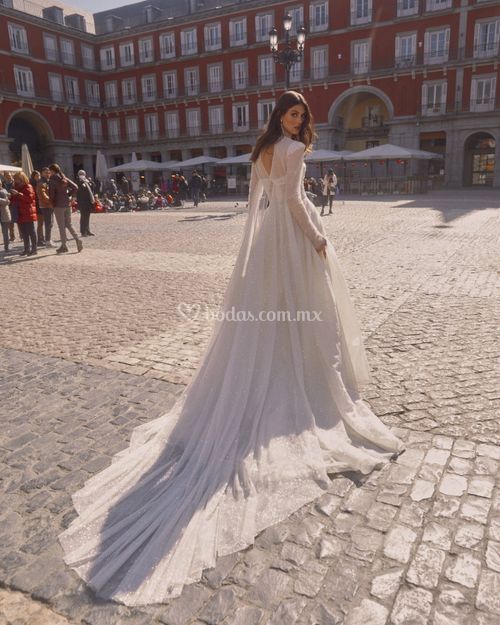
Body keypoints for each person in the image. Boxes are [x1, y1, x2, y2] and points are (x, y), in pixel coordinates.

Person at [59, 90, 404, 607]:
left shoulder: (263, 148)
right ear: (280, 117)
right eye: (294, 113)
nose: (299, 120)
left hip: (267, 240)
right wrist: (317, 239)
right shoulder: (290, 150)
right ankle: (300, 380)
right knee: (303, 312)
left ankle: (282, 366)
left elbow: (259, 205)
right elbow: (292, 200)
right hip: (288, 236)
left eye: (302, 115)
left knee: (264, 318)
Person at [48, 164, 82, 254]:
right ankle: (77, 239)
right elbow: (75, 187)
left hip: (58, 205)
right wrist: (69, 195)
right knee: (69, 224)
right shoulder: (64, 178)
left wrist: (50, 203)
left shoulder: (52, 180)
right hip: (67, 204)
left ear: (52, 171)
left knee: (61, 226)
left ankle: (64, 245)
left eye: (49, 171)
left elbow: (51, 194)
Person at [11, 172, 37, 256]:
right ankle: (26, 249)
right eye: (14, 179)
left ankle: (34, 249)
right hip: (19, 213)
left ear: (21, 178)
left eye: (16, 179)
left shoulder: (28, 187)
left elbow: (29, 199)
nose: (15, 180)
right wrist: (11, 196)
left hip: (27, 212)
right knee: (24, 233)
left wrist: (18, 194)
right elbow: (14, 200)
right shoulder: (16, 187)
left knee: (31, 232)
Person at [36, 167, 55, 247]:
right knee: (48, 223)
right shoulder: (41, 183)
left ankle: (48, 239)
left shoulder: (47, 181)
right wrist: (51, 202)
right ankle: (48, 241)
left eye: (49, 173)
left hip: (48, 205)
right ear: (42, 173)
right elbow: (42, 195)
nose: (48, 174)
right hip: (46, 205)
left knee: (50, 223)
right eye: (46, 173)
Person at [76, 170, 95, 237]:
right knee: (83, 217)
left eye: (83, 174)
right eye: (81, 174)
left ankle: (88, 230)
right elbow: (79, 190)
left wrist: (89, 182)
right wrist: (82, 182)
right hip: (82, 202)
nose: (82, 175)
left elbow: (93, 187)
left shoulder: (87, 181)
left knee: (87, 217)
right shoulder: (78, 181)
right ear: (78, 175)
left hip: (88, 202)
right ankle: (83, 231)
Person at [0, 180, 11, 252]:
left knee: (5, 232)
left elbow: (7, 202)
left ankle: (6, 247)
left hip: (3, 214)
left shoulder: (4, 191)